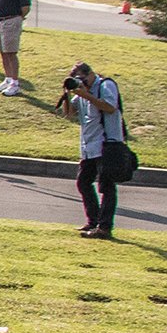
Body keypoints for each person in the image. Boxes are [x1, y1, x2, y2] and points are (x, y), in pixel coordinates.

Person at [58, 61, 124, 239]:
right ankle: (93, 221)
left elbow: (110, 107)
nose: (81, 82)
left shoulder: (105, 85)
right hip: (89, 146)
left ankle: (104, 228)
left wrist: (86, 95)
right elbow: (69, 113)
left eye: (82, 78)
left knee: (106, 186)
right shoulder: (81, 92)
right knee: (83, 182)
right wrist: (67, 93)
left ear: (91, 74)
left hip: (107, 144)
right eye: (76, 79)